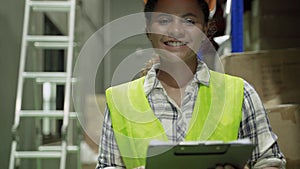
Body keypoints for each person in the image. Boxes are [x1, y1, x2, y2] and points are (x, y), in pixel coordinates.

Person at [96, 0, 286, 168]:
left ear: (205, 29)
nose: (176, 31)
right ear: (148, 28)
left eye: (189, 21)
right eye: (164, 20)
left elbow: (269, 161)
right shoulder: (120, 101)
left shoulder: (241, 93)